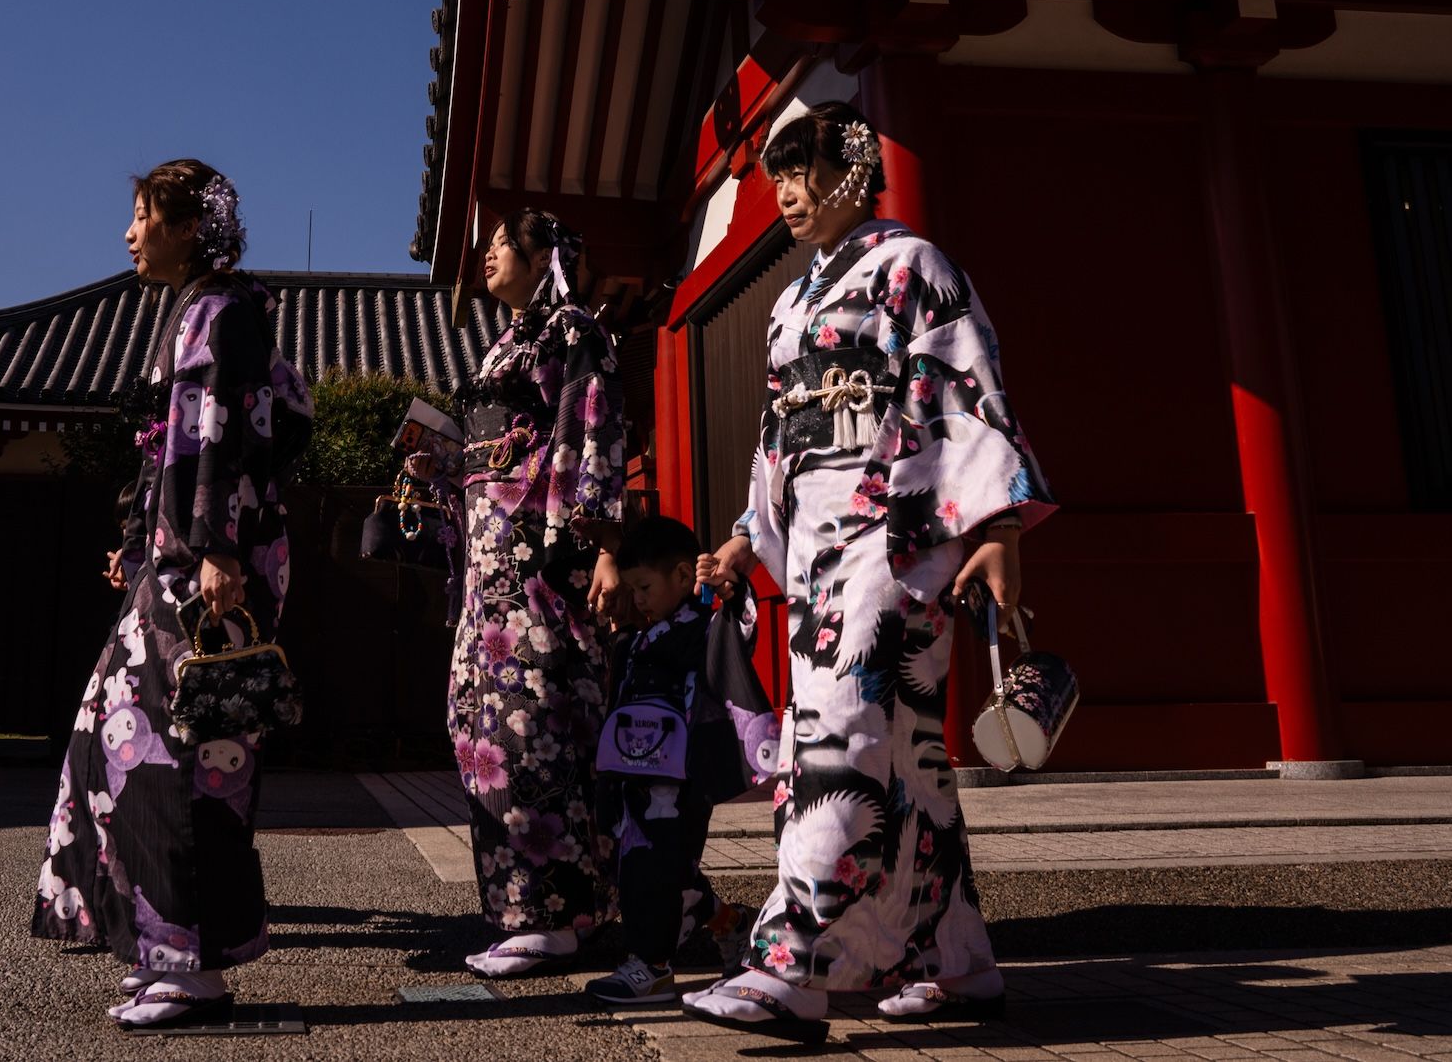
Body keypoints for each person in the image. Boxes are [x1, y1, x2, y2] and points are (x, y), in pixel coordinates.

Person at [681, 100, 1056, 1044]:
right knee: (912, 763)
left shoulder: (911, 267)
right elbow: (780, 436)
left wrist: (997, 524)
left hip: (892, 535)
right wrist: (743, 534)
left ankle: (792, 966)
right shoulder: (791, 302)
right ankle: (957, 958)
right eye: (780, 181)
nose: (791, 197)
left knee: (842, 742)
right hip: (813, 544)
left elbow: (966, 388)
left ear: (854, 169)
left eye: (805, 174)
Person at [31, 160, 313, 1029]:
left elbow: (217, 436)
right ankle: (167, 941)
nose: (130, 232)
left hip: (207, 559)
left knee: (176, 753)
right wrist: (140, 540)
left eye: (144, 215)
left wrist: (216, 544)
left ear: (189, 226)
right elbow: (191, 442)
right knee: (124, 739)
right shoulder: (213, 312)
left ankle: (189, 961)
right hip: (186, 552)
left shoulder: (221, 312)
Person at [409, 209, 625, 977]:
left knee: (531, 724)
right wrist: (438, 462)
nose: (488, 253)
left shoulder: (573, 330)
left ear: (544, 257)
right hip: (487, 569)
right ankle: (513, 906)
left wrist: (598, 540)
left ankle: (559, 913)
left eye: (502, 243)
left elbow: (589, 428)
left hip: (539, 559)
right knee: (478, 727)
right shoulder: (504, 343)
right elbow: (490, 453)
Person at [583, 514, 774, 1007]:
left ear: (684, 577)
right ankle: (730, 928)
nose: (638, 598)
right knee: (668, 868)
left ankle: (652, 966)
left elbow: (738, 625)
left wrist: (726, 590)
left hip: (679, 778)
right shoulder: (644, 635)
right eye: (633, 588)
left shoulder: (704, 627)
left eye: (644, 586)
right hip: (639, 774)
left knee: (652, 867)